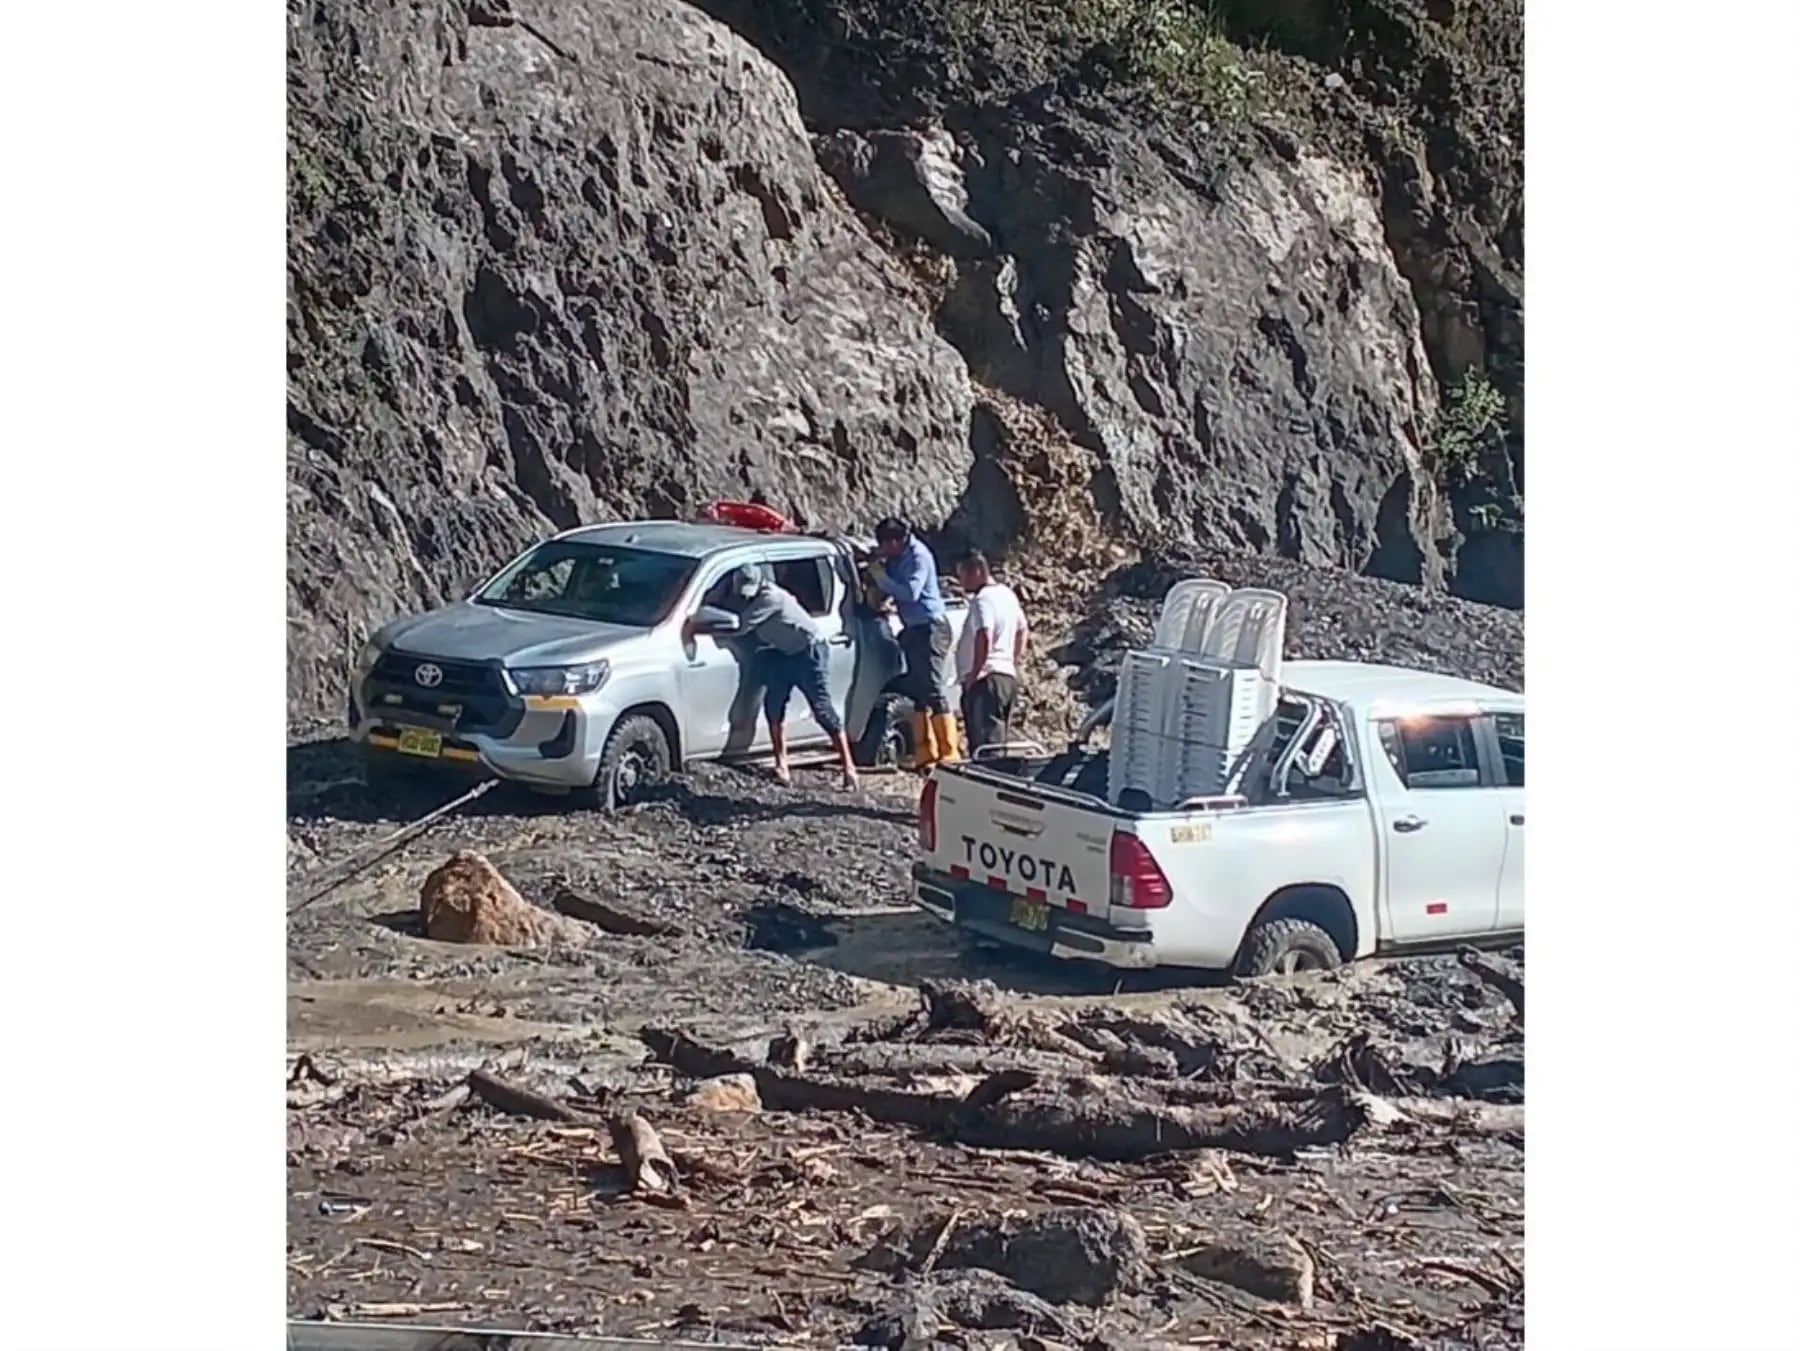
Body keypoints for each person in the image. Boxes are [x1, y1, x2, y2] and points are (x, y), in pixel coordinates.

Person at [727, 566, 859, 790]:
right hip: (784, 652)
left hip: (809, 652)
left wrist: (697, 626)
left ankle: (849, 767)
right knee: (774, 705)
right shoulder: (755, 598)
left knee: (822, 709)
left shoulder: (771, 598)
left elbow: (741, 627)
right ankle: (782, 765)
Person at [867, 517, 960, 769]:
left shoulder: (918, 556)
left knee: (932, 687)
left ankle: (949, 752)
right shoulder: (896, 557)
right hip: (912, 628)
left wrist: (881, 578)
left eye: (885, 545)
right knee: (919, 690)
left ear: (896, 541)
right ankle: (925, 752)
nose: (883, 550)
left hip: (931, 628)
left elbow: (911, 592)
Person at [953, 550, 1028, 756]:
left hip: (987, 680)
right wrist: (1012, 661)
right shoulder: (1007, 595)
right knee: (998, 740)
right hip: (1005, 677)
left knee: (986, 747)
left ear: (977, 571)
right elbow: (1023, 629)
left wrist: (976, 672)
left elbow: (984, 634)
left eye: (963, 575)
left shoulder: (982, 600)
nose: (961, 582)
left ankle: (988, 784)